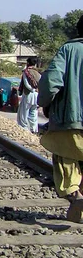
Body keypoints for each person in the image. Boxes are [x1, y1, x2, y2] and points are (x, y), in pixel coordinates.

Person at [38, 15, 83, 223]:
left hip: (70, 119)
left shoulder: (68, 50)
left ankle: (75, 197)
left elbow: (51, 82)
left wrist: (44, 102)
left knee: (66, 159)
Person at [17, 57, 41, 132]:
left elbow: (26, 84)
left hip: (28, 94)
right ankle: (33, 129)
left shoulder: (26, 72)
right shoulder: (38, 73)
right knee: (33, 112)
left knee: (24, 112)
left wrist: (32, 89)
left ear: (28, 63)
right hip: (36, 95)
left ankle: (23, 128)